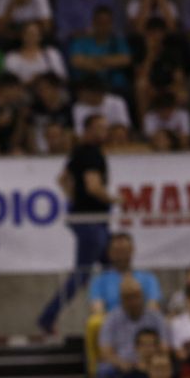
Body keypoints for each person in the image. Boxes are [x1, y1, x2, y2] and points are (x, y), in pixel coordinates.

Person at [39, 114, 111, 334]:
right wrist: (116, 200)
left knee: (111, 267)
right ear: (87, 130)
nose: (103, 132)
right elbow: (93, 187)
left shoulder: (79, 152)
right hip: (91, 219)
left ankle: (112, 313)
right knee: (82, 273)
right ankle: (47, 317)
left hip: (89, 218)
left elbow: (63, 178)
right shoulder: (90, 153)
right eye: (99, 128)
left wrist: (74, 199)